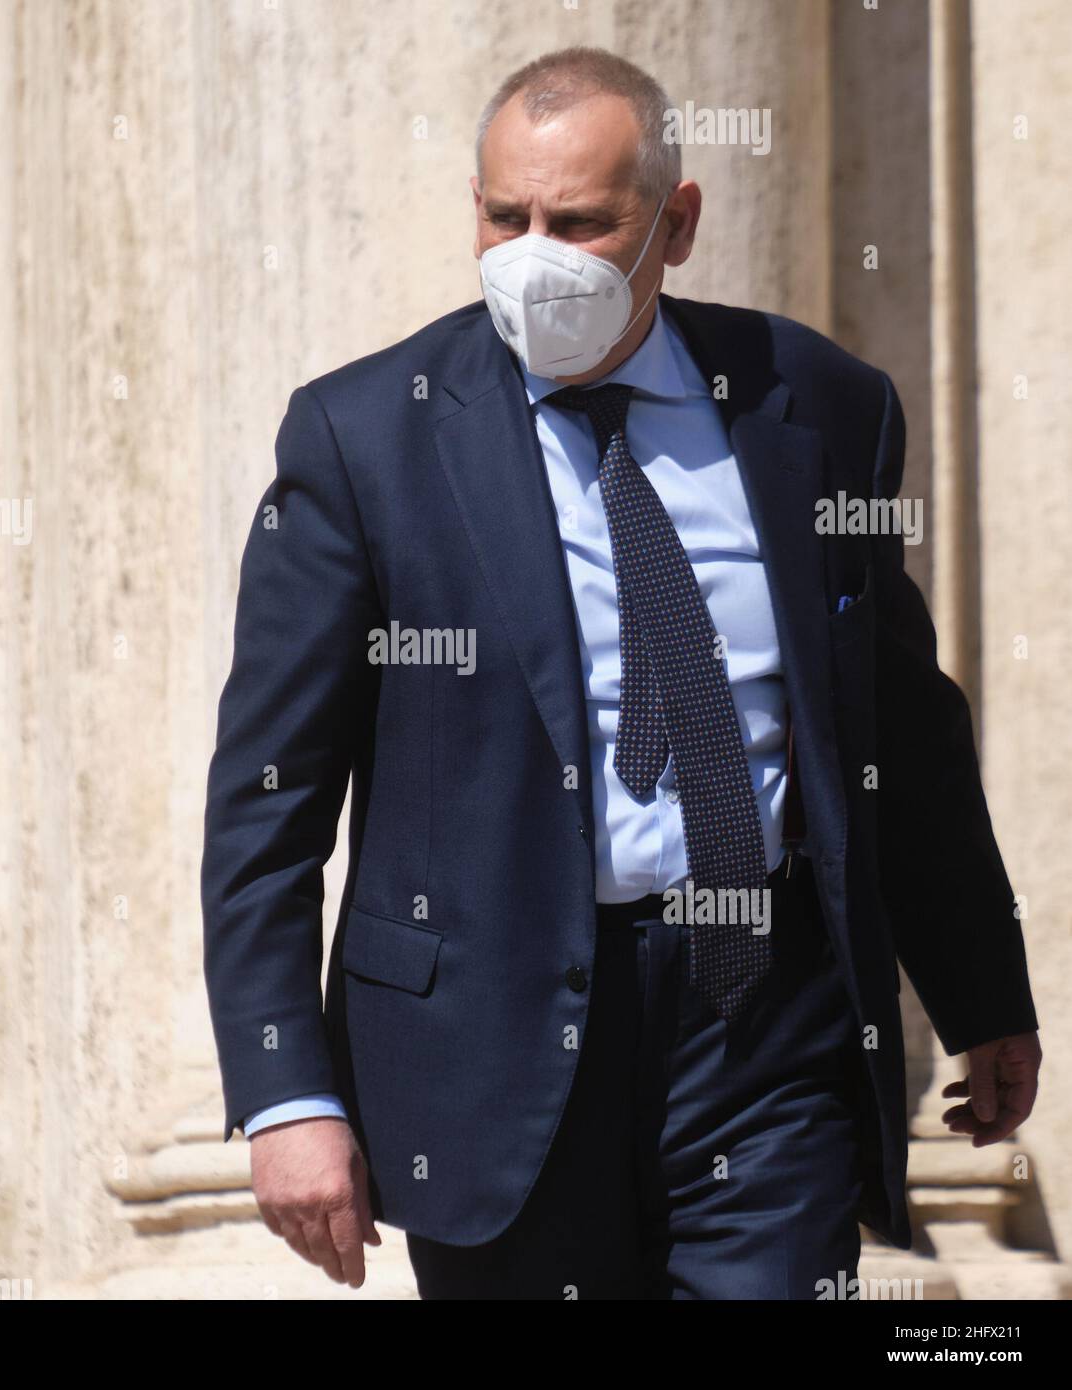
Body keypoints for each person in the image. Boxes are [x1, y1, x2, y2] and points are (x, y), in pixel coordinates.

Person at [201, 46, 1040, 1299]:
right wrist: (284, 1091)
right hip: (488, 1050)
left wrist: (981, 989)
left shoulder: (815, 407)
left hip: (761, 1026)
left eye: (582, 223)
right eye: (503, 215)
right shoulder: (365, 436)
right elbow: (270, 793)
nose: (530, 252)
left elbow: (900, 727)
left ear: (677, 224)